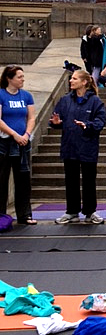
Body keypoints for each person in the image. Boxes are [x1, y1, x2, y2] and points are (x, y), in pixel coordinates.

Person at [50, 70, 106, 224]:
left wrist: (87, 125)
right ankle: (72, 211)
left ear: (84, 82)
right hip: (70, 146)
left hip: (88, 147)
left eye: (74, 78)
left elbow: (101, 122)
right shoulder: (65, 100)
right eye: (71, 78)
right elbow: (56, 119)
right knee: (71, 180)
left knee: (89, 181)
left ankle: (90, 212)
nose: (71, 81)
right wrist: (55, 123)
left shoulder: (95, 101)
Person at [0, 64, 36, 225]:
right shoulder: (1, 95)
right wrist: (14, 135)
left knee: (23, 179)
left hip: (23, 142)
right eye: (19, 77)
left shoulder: (26, 96)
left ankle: (25, 214)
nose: (22, 79)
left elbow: (31, 117)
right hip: (5, 142)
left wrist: (26, 134)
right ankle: (1, 214)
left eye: (23, 76)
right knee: (2, 179)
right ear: (9, 79)